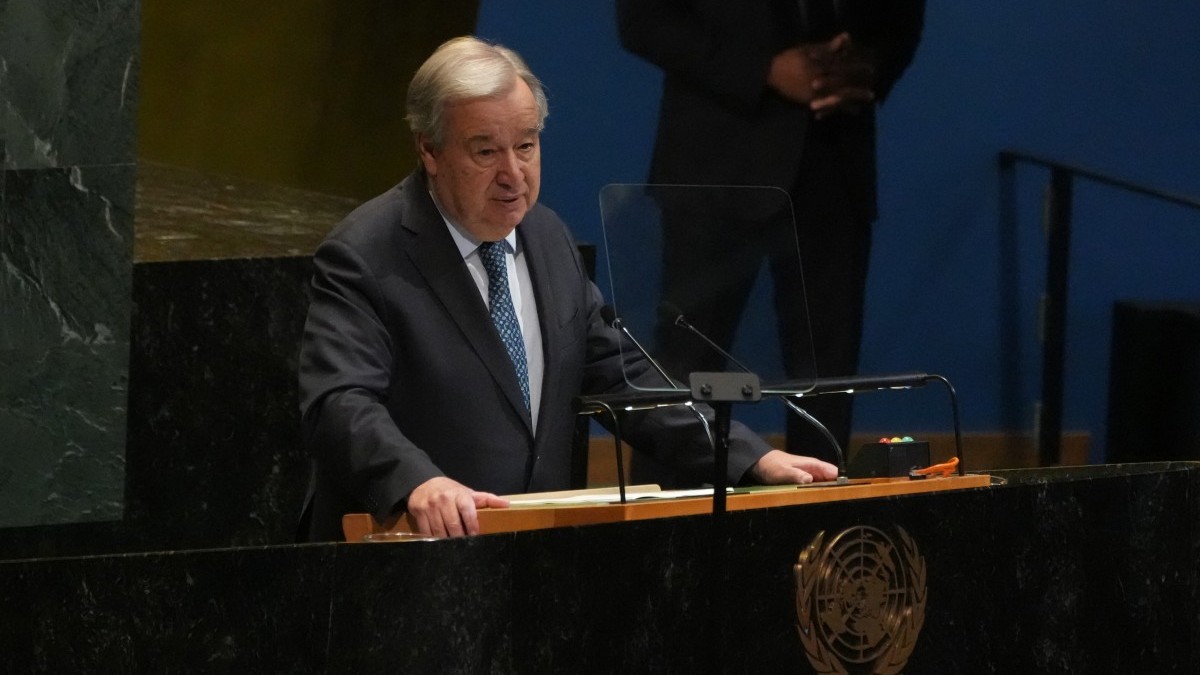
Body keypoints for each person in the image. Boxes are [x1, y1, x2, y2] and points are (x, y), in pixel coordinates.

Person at [296, 36, 837, 541]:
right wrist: (417, 482)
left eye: (526, 146)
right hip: (409, 555)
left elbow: (623, 379)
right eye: (485, 152)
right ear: (430, 151)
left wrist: (747, 456)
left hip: (536, 559)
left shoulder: (547, 237)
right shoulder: (368, 251)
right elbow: (339, 402)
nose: (514, 174)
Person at [615, 1, 925, 465]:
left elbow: (901, 21)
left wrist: (867, 65)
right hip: (716, 165)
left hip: (833, 166)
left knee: (828, 380)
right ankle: (666, 530)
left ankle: (815, 535)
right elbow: (644, 20)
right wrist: (763, 69)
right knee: (687, 367)